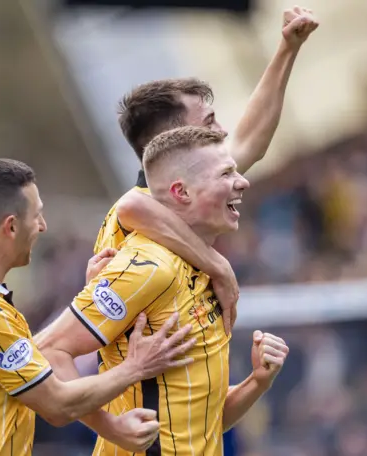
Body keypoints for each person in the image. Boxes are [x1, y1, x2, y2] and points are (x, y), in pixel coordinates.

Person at [0, 158, 197, 456]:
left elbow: (19, 366)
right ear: (11, 226)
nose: (43, 227)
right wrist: (136, 366)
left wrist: (87, 296)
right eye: (37, 216)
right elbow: (58, 405)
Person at [38, 127, 289, 455]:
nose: (242, 182)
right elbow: (47, 350)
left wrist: (257, 382)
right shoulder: (150, 267)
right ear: (181, 192)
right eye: (227, 173)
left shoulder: (205, 271)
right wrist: (112, 427)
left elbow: (202, 423)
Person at [95, 6, 319, 335]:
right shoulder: (131, 220)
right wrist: (219, 266)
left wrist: (288, 49)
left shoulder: (194, 184)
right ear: (172, 141)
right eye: (209, 123)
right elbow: (130, 210)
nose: (223, 132)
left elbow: (250, 136)